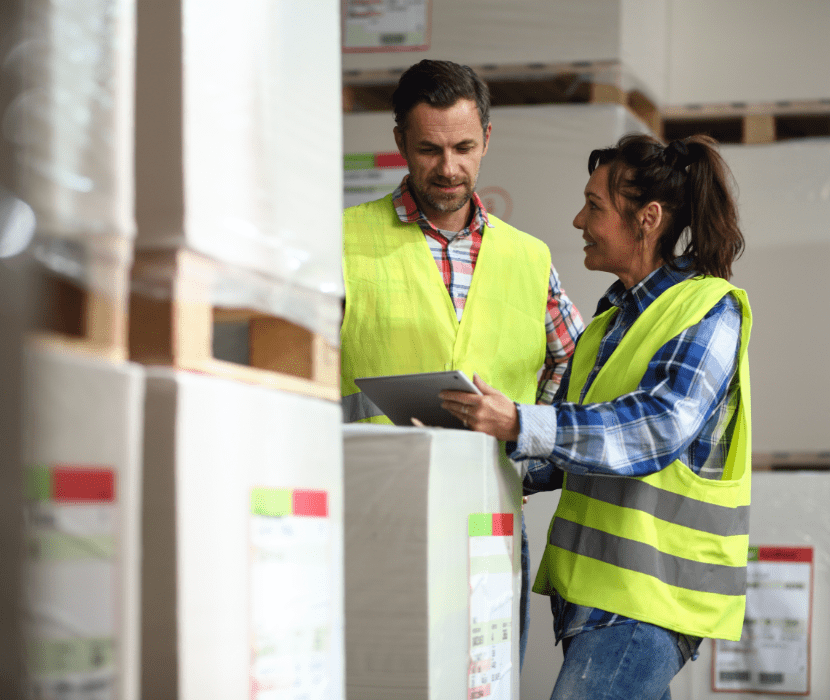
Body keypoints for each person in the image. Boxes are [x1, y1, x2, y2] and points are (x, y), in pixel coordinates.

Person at [440, 133, 752, 699]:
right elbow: (565, 451)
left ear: (647, 218)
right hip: (599, 601)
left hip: (648, 605)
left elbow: (658, 428)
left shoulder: (709, 309)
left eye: (595, 205)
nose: (579, 219)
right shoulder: (607, 327)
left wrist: (518, 421)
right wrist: (460, 448)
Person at [340, 59, 584, 670]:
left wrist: (528, 456)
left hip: (488, 516)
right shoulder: (342, 241)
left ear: (487, 141)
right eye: (428, 149)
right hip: (372, 512)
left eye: (463, 147)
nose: (448, 168)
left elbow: (577, 370)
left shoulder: (529, 258)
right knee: (380, 676)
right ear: (399, 142)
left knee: (480, 679)